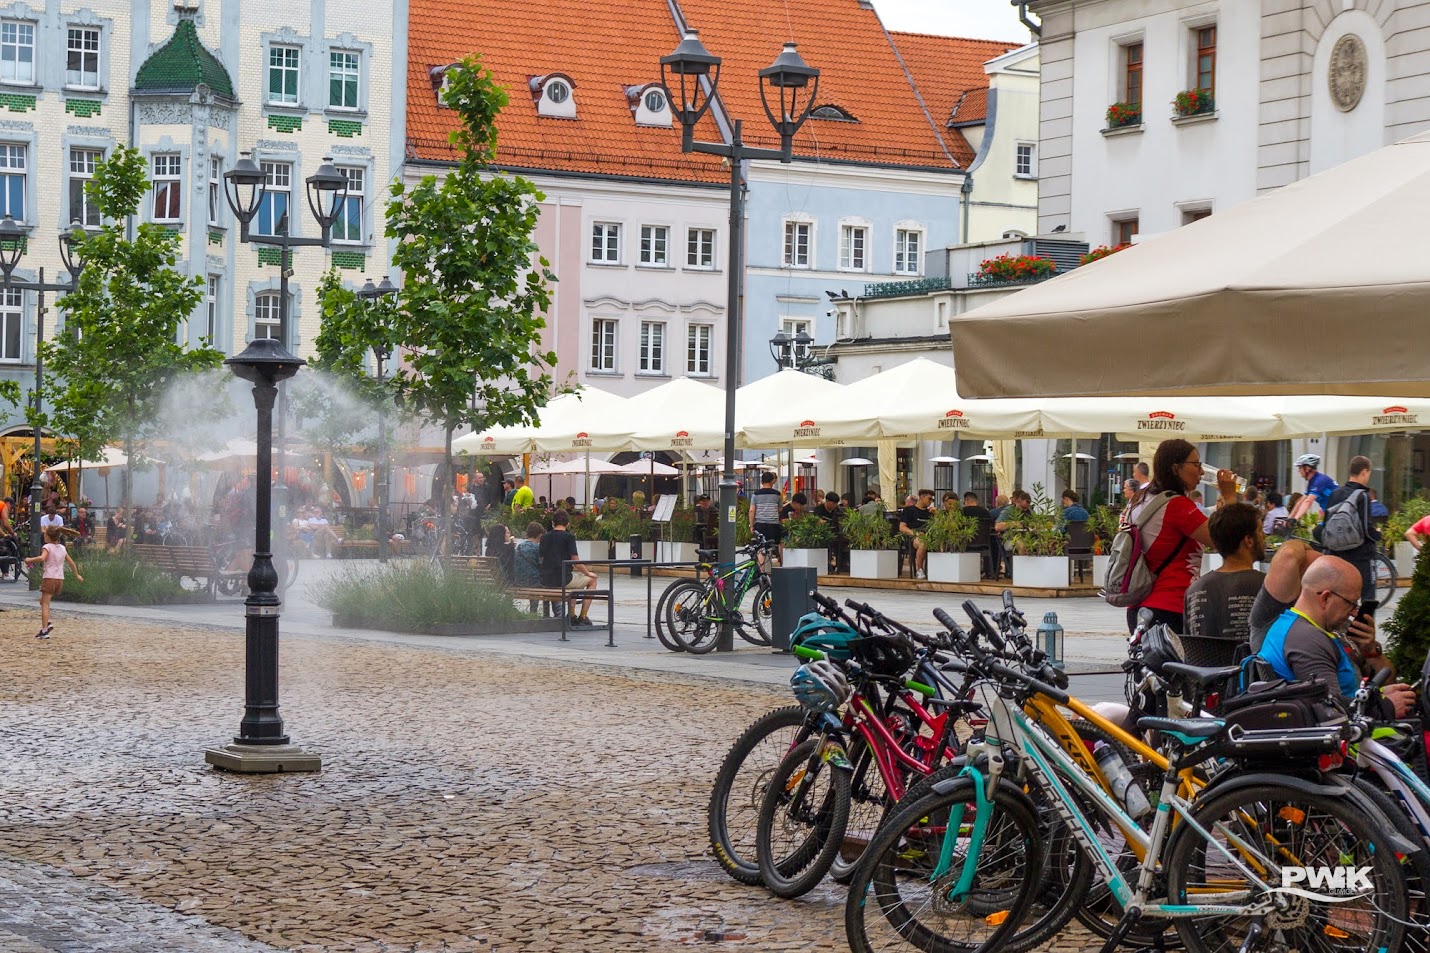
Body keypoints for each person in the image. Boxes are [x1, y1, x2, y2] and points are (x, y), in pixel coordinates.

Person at [1255, 554, 1414, 718]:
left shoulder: (1294, 627)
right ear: (1326, 598)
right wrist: (1386, 706)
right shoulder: (1308, 640)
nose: (1354, 612)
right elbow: (1330, 711)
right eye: (1351, 603)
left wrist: (1377, 693)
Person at [1122, 438, 1238, 633]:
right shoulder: (1177, 505)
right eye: (1196, 464)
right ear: (1176, 468)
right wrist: (1229, 497)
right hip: (1168, 607)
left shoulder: (1139, 499)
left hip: (1140, 607)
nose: (1201, 471)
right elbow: (1225, 541)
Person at [1184, 503, 1266, 646]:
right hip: (1249, 667)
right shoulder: (1267, 586)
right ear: (1249, 541)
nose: (1264, 536)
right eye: (1260, 531)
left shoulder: (1193, 591)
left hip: (1203, 668)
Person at [1314, 455, 1380, 601]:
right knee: (1368, 597)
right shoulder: (1363, 495)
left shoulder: (1335, 493)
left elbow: (1326, 524)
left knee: (1338, 597)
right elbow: (1366, 530)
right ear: (1364, 472)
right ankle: (1363, 624)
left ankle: (1338, 624)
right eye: (1368, 473)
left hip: (1336, 555)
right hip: (1361, 556)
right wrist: (1378, 535)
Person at [540, 509, 598, 625]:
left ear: (553, 523)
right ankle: (583, 616)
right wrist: (588, 573)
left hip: (546, 580)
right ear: (568, 524)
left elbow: (541, 558)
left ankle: (571, 614)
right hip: (563, 580)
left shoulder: (544, 537)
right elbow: (576, 562)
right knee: (592, 580)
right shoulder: (569, 537)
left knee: (576, 579)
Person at [24, 526, 81, 639]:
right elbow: (71, 563)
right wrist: (77, 575)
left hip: (49, 578)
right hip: (59, 579)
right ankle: (47, 623)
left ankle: (44, 631)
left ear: (48, 537)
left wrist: (29, 560)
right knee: (43, 601)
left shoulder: (47, 547)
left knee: (45, 605)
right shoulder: (62, 548)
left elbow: (42, 558)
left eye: (45, 535)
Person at [899, 489, 935, 578]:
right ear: (922, 497)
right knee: (922, 542)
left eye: (932, 500)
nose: (931, 502)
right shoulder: (909, 510)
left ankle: (938, 569)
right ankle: (920, 570)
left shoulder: (930, 513)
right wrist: (915, 533)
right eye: (929, 499)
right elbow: (902, 527)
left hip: (929, 536)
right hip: (913, 537)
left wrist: (937, 515)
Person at [1289, 453, 1336, 519]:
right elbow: (1300, 502)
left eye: (1300, 467)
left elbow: (1308, 502)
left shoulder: (1319, 481)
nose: (1298, 470)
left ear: (1307, 468)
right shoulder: (1312, 481)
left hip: (1336, 515)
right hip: (1330, 514)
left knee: (1318, 529)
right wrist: (1289, 518)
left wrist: (1295, 519)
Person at [748, 471, 783, 550]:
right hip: (773, 524)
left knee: (760, 548)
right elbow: (780, 508)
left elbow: (751, 511)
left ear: (762, 481)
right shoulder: (777, 494)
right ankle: (772, 561)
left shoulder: (756, 494)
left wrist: (751, 526)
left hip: (760, 524)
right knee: (773, 547)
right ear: (772, 481)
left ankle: (761, 562)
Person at [514, 522, 543, 587]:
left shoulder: (519, 547)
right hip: (534, 583)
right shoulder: (537, 548)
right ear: (540, 535)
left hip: (519, 582)